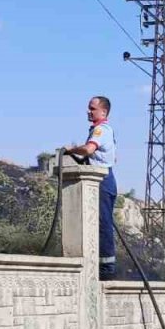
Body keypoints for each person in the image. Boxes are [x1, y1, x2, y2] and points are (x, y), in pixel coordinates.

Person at [65, 96, 117, 280]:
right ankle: (98, 263)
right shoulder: (100, 130)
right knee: (98, 221)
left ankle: (106, 268)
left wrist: (71, 150)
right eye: (89, 108)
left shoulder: (100, 130)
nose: (89, 111)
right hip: (103, 176)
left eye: (92, 108)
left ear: (103, 112)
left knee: (103, 222)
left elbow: (88, 150)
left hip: (102, 178)